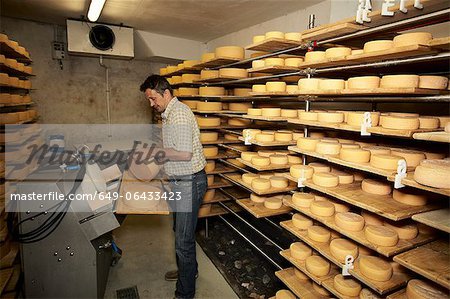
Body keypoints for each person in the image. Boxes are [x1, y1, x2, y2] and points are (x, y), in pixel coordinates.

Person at [140, 74, 207, 299]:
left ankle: (184, 293)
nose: (151, 104)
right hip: (181, 181)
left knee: (183, 240)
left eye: (153, 98)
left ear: (165, 93)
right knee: (180, 233)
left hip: (190, 182)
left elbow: (184, 153)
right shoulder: (168, 114)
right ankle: (189, 272)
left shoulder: (178, 114)